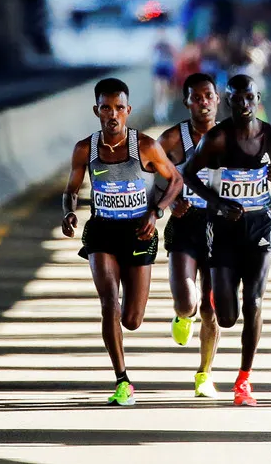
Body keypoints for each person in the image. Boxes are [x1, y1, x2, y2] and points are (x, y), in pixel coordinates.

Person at [61, 77, 183, 407]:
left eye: (118, 108)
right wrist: (69, 212)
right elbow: (71, 190)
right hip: (101, 231)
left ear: (128, 110)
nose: (112, 115)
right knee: (109, 304)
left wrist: (157, 211)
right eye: (105, 108)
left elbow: (175, 179)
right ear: (96, 111)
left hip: (138, 231)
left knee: (131, 319)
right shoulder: (85, 149)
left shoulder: (145, 146)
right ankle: (122, 380)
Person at [182, 74, 271, 407]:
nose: (244, 105)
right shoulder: (216, 139)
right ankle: (218, 294)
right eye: (237, 99)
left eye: (249, 98)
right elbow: (187, 174)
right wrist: (217, 202)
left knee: (253, 302)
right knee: (227, 318)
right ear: (228, 102)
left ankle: (244, 380)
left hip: (259, 228)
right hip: (224, 230)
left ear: (258, 99)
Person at [155, 72, 222, 398]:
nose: (203, 102)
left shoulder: (230, 137)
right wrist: (170, 202)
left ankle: (204, 374)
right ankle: (183, 316)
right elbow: (150, 176)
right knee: (187, 302)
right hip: (185, 224)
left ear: (217, 99)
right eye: (197, 97)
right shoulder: (172, 139)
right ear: (186, 102)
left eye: (208, 96)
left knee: (211, 307)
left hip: (220, 227)